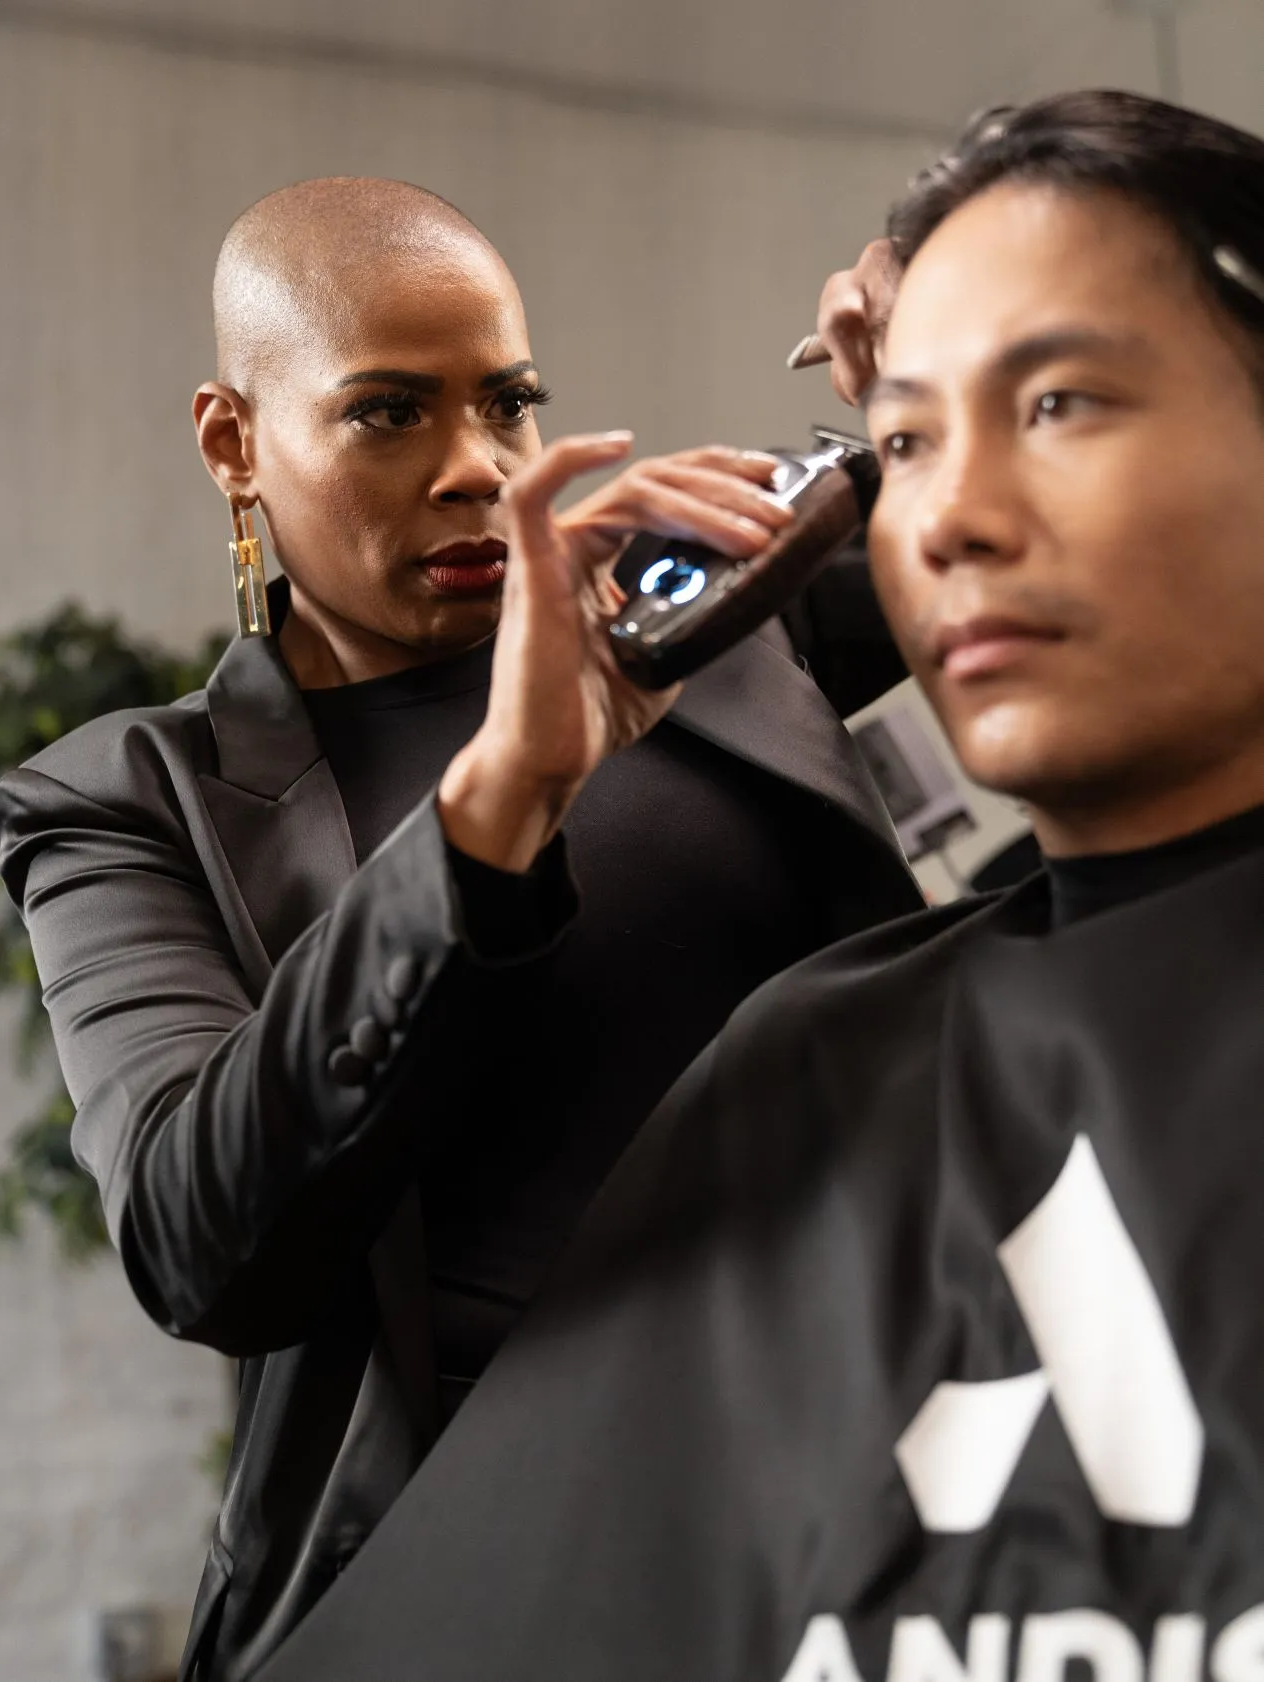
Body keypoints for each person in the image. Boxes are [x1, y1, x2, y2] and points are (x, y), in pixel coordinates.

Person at [248, 92, 1264, 1682]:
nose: (949, 516)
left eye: (1058, 402)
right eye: (909, 441)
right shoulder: (816, 1062)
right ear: (236, 440)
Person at [0, 177, 920, 1682]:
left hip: (860, 1524)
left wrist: (943, 422)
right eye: (385, 414)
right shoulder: (127, 799)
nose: (474, 468)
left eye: (508, 402)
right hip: (470, 1594)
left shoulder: (706, 610)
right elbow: (197, 1238)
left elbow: (1121, 592)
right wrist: (501, 795)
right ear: (233, 441)